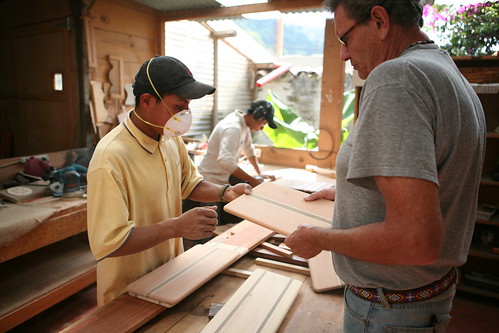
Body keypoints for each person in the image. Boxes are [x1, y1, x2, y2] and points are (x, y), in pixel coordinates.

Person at [284, 0, 486, 331]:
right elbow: (434, 178)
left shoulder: (397, 77)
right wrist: (349, 191)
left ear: (379, 20)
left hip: (386, 310)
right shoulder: (445, 73)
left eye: (344, 39)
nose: (343, 55)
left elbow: (414, 239)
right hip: (421, 298)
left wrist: (320, 238)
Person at [86, 55, 251, 306]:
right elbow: (110, 243)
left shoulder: (170, 138)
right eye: (178, 107)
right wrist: (176, 228)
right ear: (146, 101)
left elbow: (190, 184)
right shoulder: (110, 158)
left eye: (188, 107)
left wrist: (225, 192)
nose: (185, 115)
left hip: (168, 277)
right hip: (127, 293)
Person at [185, 100, 277, 225]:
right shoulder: (233, 128)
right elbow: (225, 161)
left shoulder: (243, 125)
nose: (262, 128)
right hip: (211, 180)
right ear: (258, 116)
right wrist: (252, 180)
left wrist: (259, 173)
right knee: (209, 225)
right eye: (264, 123)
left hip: (222, 177)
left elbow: (249, 150)